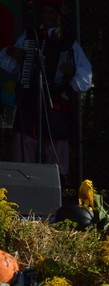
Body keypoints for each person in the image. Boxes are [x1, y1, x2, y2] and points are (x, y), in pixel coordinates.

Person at [0, 0, 92, 182]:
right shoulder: (30, 36)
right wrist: (12, 52)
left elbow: (85, 77)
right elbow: (9, 62)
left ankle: (57, 183)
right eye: (44, 12)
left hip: (54, 99)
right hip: (30, 98)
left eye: (50, 13)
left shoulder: (68, 42)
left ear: (58, 16)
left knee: (56, 141)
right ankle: (21, 181)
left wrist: (72, 71)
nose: (46, 16)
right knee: (23, 139)